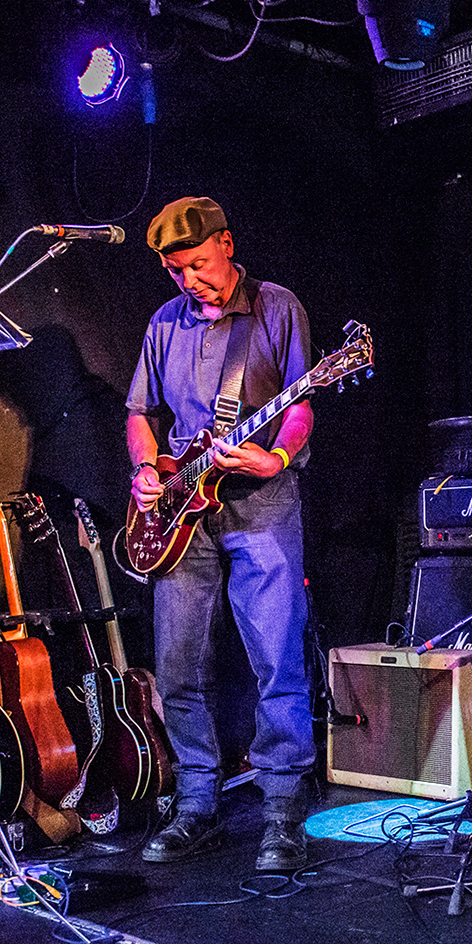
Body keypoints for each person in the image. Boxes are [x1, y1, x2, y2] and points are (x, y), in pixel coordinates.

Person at [126, 196, 317, 871]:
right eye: (176, 271)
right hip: (182, 512)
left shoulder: (276, 307)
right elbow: (141, 413)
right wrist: (145, 469)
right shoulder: (163, 323)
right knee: (177, 663)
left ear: (227, 244)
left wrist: (278, 457)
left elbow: (300, 404)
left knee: (276, 656)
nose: (191, 281)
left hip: (261, 501)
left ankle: (283, 807)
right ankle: (196, 803)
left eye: (200, 265)